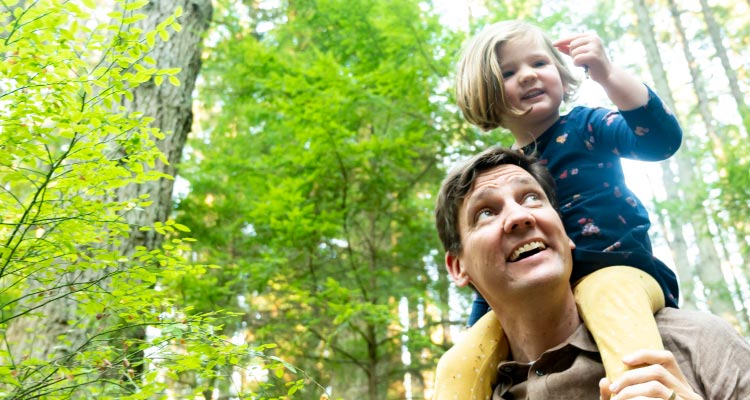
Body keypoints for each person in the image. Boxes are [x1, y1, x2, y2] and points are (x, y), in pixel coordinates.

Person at [441, 19, 684, 395]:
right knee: (459, 359)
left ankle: (645, 392)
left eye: (539, 63)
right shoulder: (503, 173)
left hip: (619, 270)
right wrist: (485, 318)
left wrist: (607, 74)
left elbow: (659, 141)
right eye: (508, 72)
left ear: (560, 70)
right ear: (486, 94)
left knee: (607, 295)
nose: (527, 76)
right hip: (540, 300)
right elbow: (489, 269)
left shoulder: (586, 125)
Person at [433, 146, 750, 399]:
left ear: (566, 235)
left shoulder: (697, 342)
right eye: (486, 212)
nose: (519, 216)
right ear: (458, 267)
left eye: (531, 197)